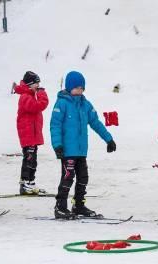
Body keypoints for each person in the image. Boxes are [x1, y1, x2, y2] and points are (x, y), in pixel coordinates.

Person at [50, 71, 116, 219]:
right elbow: (55, 125)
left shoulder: (85, 104)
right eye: (77, 87)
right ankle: (60, 207)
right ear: (69, 87)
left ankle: (78, 205)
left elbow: (96, 123)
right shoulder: (61, 103)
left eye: (82, 88)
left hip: (81, 150)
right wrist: (57, 145)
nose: (79, 90)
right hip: (67, 150)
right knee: (68, 177)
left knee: (83, 177)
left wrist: (108, 139)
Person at [14, 71, 49, 195]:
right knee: (29, 159)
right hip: (28, 135)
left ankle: (31, 182)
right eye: (37, 83)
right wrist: (42, 94)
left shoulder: (29, 95)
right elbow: (38, 106)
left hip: (32, 135)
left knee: (33, 160)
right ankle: (25, 183)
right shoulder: (25, 97)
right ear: (30, 84)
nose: (38, 86)